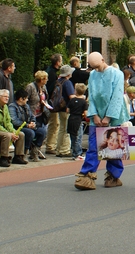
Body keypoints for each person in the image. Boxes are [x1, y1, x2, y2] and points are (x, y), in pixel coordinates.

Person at [74, 52, 129, 191]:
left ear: (103, 60)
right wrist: (94, 115)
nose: (96, 70)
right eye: (93, 67)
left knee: (114, 146)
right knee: (94, 145)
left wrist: (109, 117)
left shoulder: (117, 74)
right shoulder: (92, 74)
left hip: (114, 116)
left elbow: (117, 96)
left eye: (97, 66)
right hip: (97, 115)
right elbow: (91, 95)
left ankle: (113, 175)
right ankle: (86, 175)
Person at [0, 88, 27, 168]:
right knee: (7, 136)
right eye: (5, 96)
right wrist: (9, 133)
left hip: (2, 129)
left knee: (21, 134)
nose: (7, 98)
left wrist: (13, 131)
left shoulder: (5, 106)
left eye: (8, 97)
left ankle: (18, 156)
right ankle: (3, 158)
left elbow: (8, 122)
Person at [9, 88, 46, 162]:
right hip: (18, 127)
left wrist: (33, 122)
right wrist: (27, 125)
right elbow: (15, 121)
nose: (27, 100)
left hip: (28, 126)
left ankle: (35, 150)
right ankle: (24, 152)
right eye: (26, 98)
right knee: (30, 133)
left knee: (42, 131)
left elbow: (32, 116)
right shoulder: (12, 107)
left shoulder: (26, 106)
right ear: (20, 99)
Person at [50, 65, 76, 157]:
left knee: (61, 129)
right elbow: (71, 97)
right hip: (66, 108)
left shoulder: (58, 81)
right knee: (66, 129)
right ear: (68, 74)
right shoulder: (67, 82)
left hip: (60, 108)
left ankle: (59, 149)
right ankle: (64, 150)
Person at [44, 53, 63, 154]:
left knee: (55, 123)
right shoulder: (51, 74)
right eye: (61, 60)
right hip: (51, 103)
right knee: (54, 124)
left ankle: (51, 144)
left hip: (50, 102)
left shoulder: (51, 71)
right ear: (57, 62)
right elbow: (50, 89)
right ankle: (50, 146)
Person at [67, 83, 88, 160]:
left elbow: (67, 110)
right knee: (78, 137)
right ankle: (78, 153)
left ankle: (74, 152)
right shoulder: (83, 102)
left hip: (71, 118)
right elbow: (85, 113)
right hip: (78, 119)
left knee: (72, 136)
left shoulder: (72, 100)